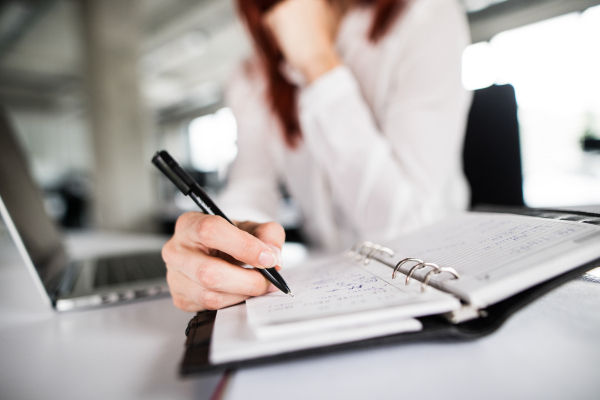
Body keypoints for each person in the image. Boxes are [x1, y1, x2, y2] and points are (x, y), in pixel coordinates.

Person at [163, 0, 472, 312]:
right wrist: (221, 246)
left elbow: (412, 228)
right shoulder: (252, 74)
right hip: (326, 295)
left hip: (442, 288)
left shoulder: (425, 16)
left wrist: (316, 61)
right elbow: (250, 188)